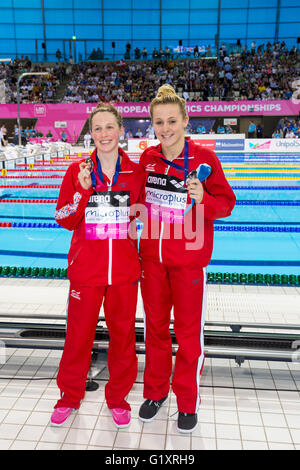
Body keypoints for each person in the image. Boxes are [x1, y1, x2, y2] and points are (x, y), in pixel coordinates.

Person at [137, 85, 236, 433]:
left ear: (185, 121)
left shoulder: (205, 159)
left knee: (189, 334)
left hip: (189, 262)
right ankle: (155, 392)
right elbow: (133, 200)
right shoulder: (148, 158)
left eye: (172, 121)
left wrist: (203, 200)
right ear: (152, 124)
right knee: (156, 331)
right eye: (159, 122)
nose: (165, 128)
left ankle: (187, 400)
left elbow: (227, 203)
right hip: (151, 259)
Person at [51, 102, 145, 428]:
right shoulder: (77, 171)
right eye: (97, 128)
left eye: (109, 127)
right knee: (78, 338)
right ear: (90, 133)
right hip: (86, 271)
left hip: (123, 272)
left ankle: (118, 398)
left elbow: (144, 219)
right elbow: (62, 217)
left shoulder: (135, 173)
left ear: (121, 130)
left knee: (123, 339)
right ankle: (69, 396)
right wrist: (81, 191)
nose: (104, 134)